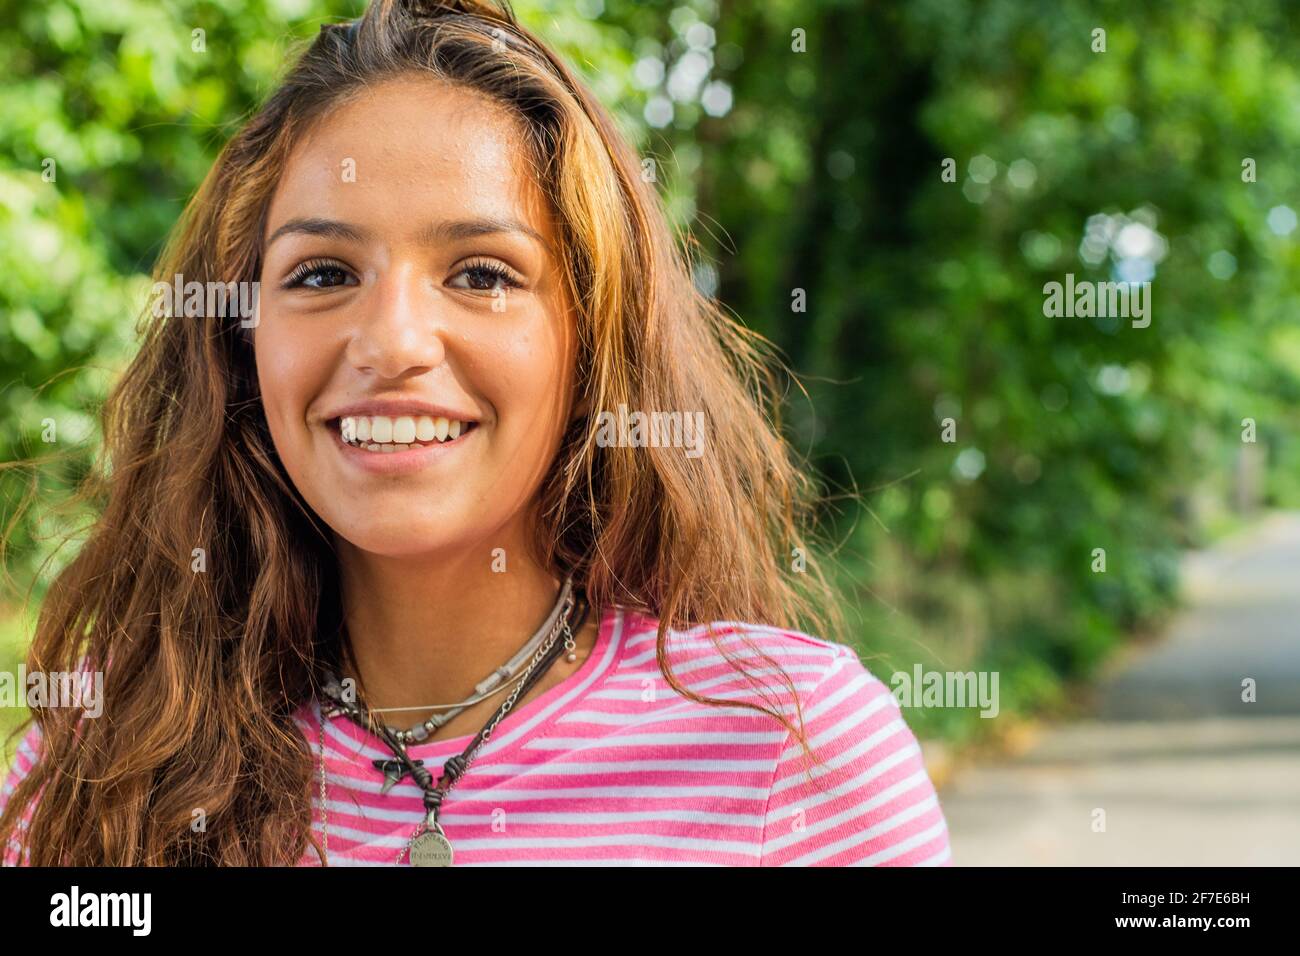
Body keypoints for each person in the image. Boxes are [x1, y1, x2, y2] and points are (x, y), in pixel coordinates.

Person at [0, 0, 951, 866]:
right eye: (323, 273)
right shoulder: (104, 747)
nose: (392, 343)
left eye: (483, 274)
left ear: (592, 340)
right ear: (240, 342)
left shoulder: (788, 750)